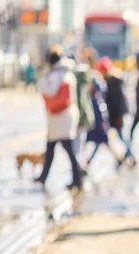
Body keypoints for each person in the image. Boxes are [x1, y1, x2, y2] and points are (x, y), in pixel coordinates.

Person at [35, 45, 83, 193]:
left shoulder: (56, 75)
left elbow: (50, 91)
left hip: (60, 118)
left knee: (68, 150)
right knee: (53, 148)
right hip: (64, 117)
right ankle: (45, 176)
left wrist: (42, 80)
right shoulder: (67, 73)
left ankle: (77, 179)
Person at [97, 57, 135, 165]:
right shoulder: (110, 81)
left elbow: (118, 102)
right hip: (112, 114)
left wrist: (119, 116)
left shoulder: (114, 82)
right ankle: (124, 156)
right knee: (110, 137)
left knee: (121, 136)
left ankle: (129, 155)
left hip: (116, 114)